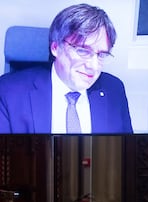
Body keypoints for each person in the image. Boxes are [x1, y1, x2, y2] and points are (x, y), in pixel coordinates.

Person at [0, 4, 132, 134]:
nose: (94, 66)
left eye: (101, 54)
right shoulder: (8, 91)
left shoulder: (114, 89)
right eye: (83, 51)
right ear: (56, 48)